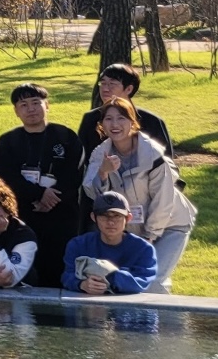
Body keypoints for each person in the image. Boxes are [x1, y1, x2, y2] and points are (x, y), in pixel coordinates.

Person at [82, 96, 196, 294]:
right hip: (134, 229)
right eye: (109, 119)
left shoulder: (152, 154)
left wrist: (149, 236)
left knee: (152, 281)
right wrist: (103, 172)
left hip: (171, 225)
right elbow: (92, 193)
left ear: (132, 122)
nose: (115, 124)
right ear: (102, 125)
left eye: (121, 118)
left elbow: (164, 201)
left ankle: (169, 324)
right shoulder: (100, 154)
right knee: (133, 282)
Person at [0, 83, 81, 287]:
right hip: (24, 216)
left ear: (47, 105)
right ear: (16, 111)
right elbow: (6, 177)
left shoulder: (65, 137)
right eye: (23, 105)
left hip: (61, 217)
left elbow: (74, 175)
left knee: (58, 272)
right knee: (25, 272)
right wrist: (38, 195)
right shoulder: (8, 141)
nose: (30, 109)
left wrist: (50, 198)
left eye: (35, 103)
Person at [61, 192, 158, 296]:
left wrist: (109, 277)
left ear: (128, 218)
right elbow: (67, 275)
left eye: (117, 216)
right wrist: (82, 284)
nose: (111, 222)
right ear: (93, 217)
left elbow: (143, 280)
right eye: (104, 216)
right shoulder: (78, 244)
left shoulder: (144, 249)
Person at [75, 63, 174, 163]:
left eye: (112, 84)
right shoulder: (90, 119)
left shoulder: (151, 121)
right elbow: (80, 161)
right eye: (103, 83)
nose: (105, 89)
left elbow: (166, 163)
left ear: (128, 89)